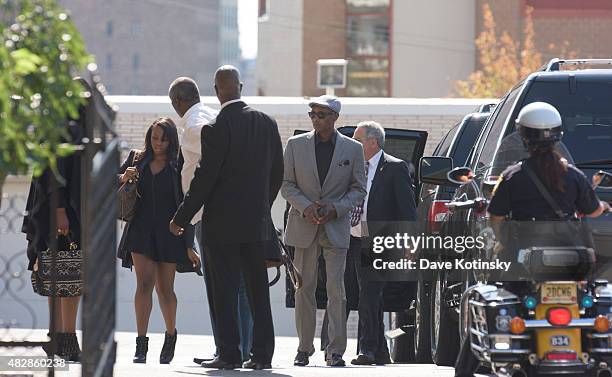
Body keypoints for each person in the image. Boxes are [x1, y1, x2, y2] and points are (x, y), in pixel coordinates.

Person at [454, 102, 610, 377]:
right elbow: (593, 209)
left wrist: (502, 242)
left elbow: (496, 216)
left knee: (484, 301)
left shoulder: (513, 176)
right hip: (574, 265)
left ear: (523, 136)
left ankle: (464, 371)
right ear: (558, 135)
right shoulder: (572, 175)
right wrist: (604, 207)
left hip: (523, 265)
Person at [170, 65, 283, 370]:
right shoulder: (267, 124)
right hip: (256, 224)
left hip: (220, 226)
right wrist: (262, 206)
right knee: (258, 292)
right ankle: (262, 355)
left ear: (217, 90)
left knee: (224, 291)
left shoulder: (215, 128)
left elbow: (204, 179)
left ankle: (230, 353)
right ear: (241, 86)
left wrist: (181, 216)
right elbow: (277, 173)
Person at [168, 77, 254, 363]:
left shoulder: (195, 125)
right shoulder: (210, 115)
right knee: (238, 285)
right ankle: (240, 347)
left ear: (178, 102)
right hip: (234, 212)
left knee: (221, 287)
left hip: (210, 213)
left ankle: (228, 350)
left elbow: (211, 168)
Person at [282, 95, 367, 367]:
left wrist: (335, 209)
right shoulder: (295, 145)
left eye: (321, 114)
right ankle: (303, 348)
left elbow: (359, 189)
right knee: (303, 288)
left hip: (335, 226)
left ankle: (335, 351)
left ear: (334, 118)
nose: (315, 119)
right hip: (303, 224)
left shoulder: (353, 149)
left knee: (336, 290)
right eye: (312, 114)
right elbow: (286, 184)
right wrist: (306, 207)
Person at [117, 117, 201, 364]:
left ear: (172, 140)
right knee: (143, 284)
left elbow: (189, 206)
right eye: (154, 137)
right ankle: (140, 345)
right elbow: (111, 180)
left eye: (164, 139)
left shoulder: (180, 164)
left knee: (165, 290)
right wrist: (124, 177)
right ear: (148, 137)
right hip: (140, 231)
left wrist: (189, 244)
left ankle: (170, 335)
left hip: (170, 232)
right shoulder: (137, 159)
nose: (159, 143)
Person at [349, 121, 416, 365]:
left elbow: (407, 210)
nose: (353, 145)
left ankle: (366, 349)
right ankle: (380, 351)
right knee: (370, 295)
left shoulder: (395, 168)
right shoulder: (354, 167)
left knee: (369, 293)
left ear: (373, 142)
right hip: (356, 237)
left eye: (357, 140)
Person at [22, 118, 84, 362]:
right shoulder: (65, 128)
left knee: (57, 269)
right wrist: (61, 211)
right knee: (68, 272)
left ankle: (56, 335)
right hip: (62, 212)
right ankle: (66, 338)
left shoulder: (58, 126)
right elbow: (54, 172)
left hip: (59, 211)